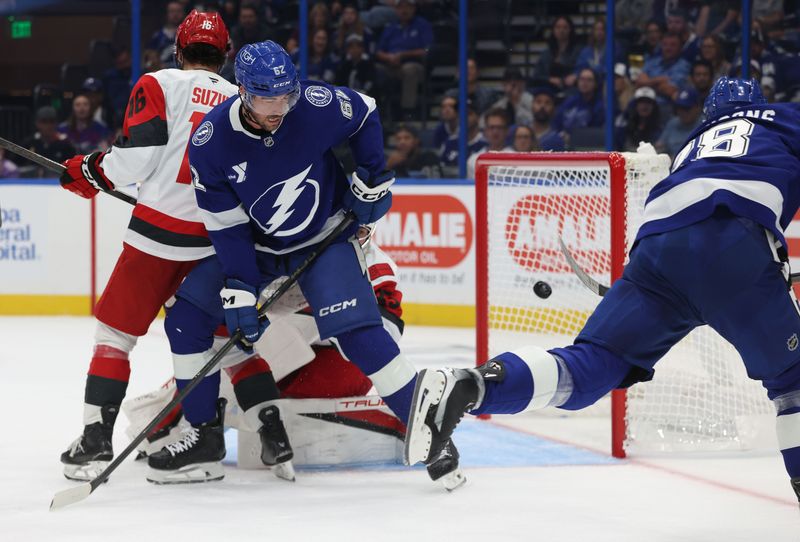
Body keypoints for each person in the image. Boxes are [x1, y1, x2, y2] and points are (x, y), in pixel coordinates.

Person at [403, 78, 800, 507]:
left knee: (591, 366)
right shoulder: (782, 118)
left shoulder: (694, 143)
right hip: (729, 243)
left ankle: (470, 384)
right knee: (793, 382)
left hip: (656, 253)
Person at [159, 40, 462, 488]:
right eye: (266, 99)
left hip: (323, 237)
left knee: (358, 333)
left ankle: (430, 429)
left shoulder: (313, 105)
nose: (278, 108)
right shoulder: (211, 142)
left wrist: (372, 176)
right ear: (241, 91)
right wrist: (241, 285)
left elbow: (365, 111)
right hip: (258, 251)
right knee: (185, 319)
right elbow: (226, 228)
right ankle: (203, 438)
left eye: (285, 96)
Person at [54, 11, 295, 484]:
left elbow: (135, 161)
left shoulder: (159, 82)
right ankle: (274, 436)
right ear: (226, 56)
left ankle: (94, 444)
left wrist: (88, 171)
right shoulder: (243, 96)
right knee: (228, 342)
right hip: (215, 241)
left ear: (178, 50)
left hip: (155, 238)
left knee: (114, 338)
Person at [374, 0, 433, 118]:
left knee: (409, 70)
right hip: (390, 65)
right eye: (400, 7)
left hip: (415, 64)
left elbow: (427, 50)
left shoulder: (422, 24)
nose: (404, 10)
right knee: (374, 69)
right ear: (396, 10)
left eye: (408, 6)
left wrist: (403, 55)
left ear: (414, 8)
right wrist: (389, 57)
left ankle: (407, 111)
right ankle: (379, 108)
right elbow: (378, 51)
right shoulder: (391, 27)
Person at [636, 32, 691, 102]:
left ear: (680, 47)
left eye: (673, 45)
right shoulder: (652, 61)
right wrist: (658, 80)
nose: (668, 48)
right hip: (644, 102)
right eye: (665, 44)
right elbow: (638, 83)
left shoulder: (683, 66)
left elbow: (670, 90)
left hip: (666, 106)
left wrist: (647, 83)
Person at [22, 106, 76, 175]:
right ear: (37, 123)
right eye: (44, 122)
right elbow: (16, 165)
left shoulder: (65, 145)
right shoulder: (30, 143)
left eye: (51, 121)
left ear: (56, 123)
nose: (48, 125)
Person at [532, 16, 580, 91]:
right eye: (558, 27)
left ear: (570, 30)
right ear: (553, 30)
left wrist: (575, 75)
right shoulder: (546, 53)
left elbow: (582, 68)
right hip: (548, 89)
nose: (561, 30)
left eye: (565, 27)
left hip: (571, 88)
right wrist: (549, 79)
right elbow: (537, 75)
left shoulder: (578, 51)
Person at [552, 68, 605, 135]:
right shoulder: (569, 102)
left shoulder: (600, 106)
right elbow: (557, 123)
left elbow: (595, 132)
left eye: (589, 80)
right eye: (582, 79)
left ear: (596, 84)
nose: (584, 83)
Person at [656, 87, 702, 157]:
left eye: (687, 109)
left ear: (698, 108)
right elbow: (659, 146)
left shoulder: (704, 125)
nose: (682, 112)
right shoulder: (672, 123)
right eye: (680, 108)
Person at [467, 107, 512, 178]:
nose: (495, 132)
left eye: (499, 127)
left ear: (507, 130)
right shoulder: (474, 160)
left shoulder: (517, 159)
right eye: (491, 127)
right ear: (485, 130)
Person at [618, 86, 662, 152]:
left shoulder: (660, 125)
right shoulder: (626, 123)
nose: (644, 106)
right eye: (641, 102)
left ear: (654, 106)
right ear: (635, 105)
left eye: (648, 102)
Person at [530, 87, 565, 152]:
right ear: (532, 106)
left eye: (547, 103)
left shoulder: (556, 139)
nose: (542, 106)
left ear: (553, 109)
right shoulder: (520, 132)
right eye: (538, 102)